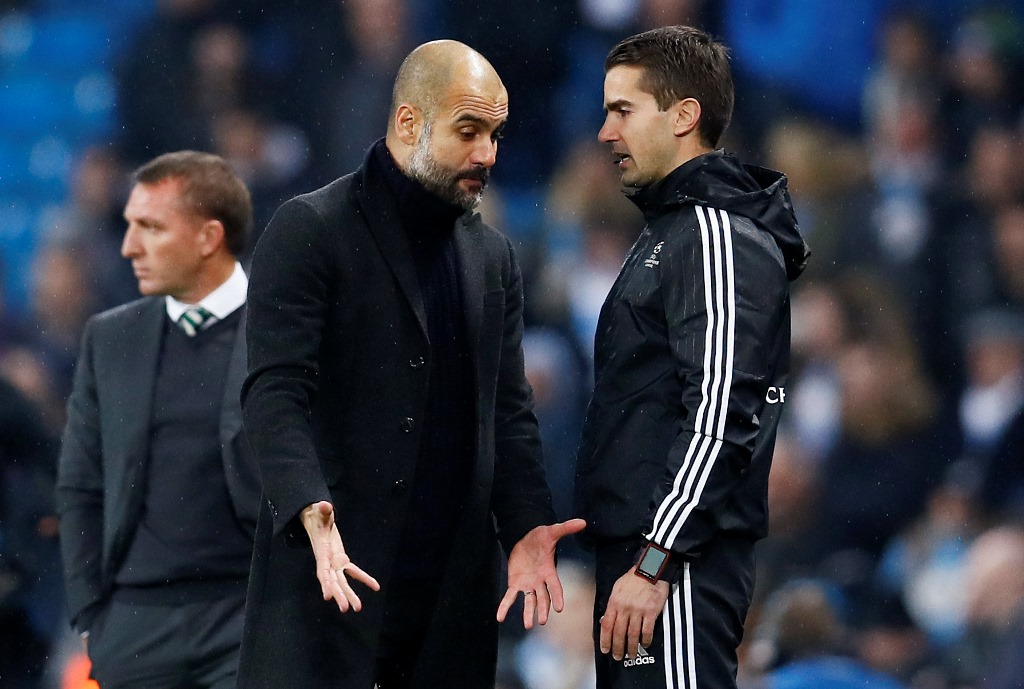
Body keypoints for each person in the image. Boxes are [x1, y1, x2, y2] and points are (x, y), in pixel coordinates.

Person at [238, 39, 584, 689]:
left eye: (496, 133)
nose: (488, 152)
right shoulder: (310, 228)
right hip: (329, 589)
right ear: (407, 123)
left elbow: (507, 412)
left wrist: (529, 523)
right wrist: (307, 502)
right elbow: (274, 392)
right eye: (469, 130)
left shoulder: (494, 257)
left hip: (448, 615)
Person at [573, 26, 810, 689]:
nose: (605, 132)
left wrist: (655, 561)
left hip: (673, 568)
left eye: (623, 111)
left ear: (684, 116)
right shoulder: (670, 231)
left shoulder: (713, 232)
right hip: (642, 558)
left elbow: (724, 409)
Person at [56, 151, 260, 689]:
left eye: (149, 227)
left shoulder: (286, 329)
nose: (129, 248)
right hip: (134, 631)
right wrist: (90, 619)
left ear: (207, 237)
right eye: (128, 227)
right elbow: (80, 484)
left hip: (249, 618)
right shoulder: (110, 337)